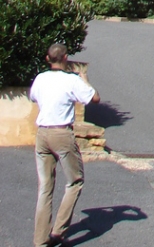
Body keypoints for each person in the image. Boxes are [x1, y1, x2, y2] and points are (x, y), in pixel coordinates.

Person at [29, 43, 100, 247]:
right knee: (75, 181)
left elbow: (34, 97)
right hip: (61, 133)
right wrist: (84, 80)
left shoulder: (41, 78)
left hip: (42, 133)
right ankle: (58, 231)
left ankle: (40, 240)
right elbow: (94, 98)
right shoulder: (71, 81)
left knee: (45, 187)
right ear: (66, 58)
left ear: (47, 59)